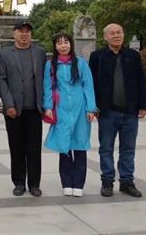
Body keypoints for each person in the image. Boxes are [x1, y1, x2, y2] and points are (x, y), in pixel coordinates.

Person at [89, 23, 146, 198]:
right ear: (105, 37)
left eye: (119, 32)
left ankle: (127, 181)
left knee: (128, 149)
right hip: (107, 112)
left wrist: (143, 104)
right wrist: (93, 105)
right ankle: (107, 181)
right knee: (106, 148)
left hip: (130, 111)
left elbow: (141, 80)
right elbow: (91, 83)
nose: (116, 36)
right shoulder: (97, 57)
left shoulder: (133, 55)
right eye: (112, 33)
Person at [43, 33, 96, 197]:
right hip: (61, 109)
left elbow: (88, 85)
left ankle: (78, 184)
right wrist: (48, 106)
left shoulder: (81, 63)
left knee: (80, 146)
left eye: (66, 42)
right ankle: (66, 182)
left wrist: (90, 108)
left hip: (80, 109)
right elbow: (47, 86)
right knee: (64, 146)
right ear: (55, 46)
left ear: (71, 44)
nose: (63, 46)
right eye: (59, 43)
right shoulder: (50, 65)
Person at [0, 21, 46, 197]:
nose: (24, 34)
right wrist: (8, 104)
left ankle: (34, 183)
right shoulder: (4, 54)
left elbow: (45, 78)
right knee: (16, 147)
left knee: (34, 148)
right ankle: (18, 182)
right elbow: (1, 80)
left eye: (27, 31)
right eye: (21, 31)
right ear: (14, 34)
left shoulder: (40, 52)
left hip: (34, 109)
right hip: (14, 110)